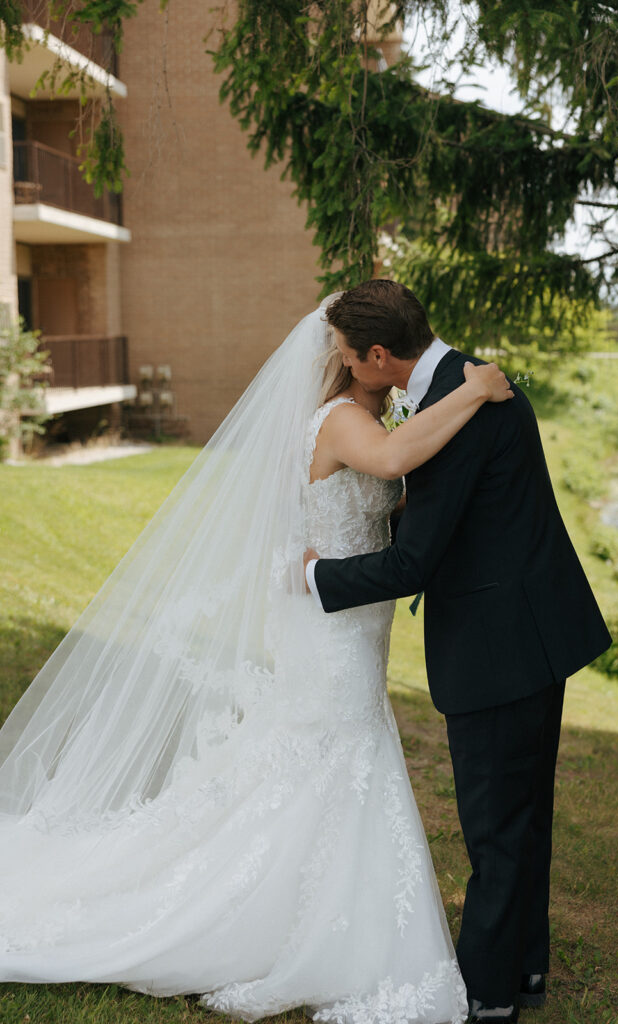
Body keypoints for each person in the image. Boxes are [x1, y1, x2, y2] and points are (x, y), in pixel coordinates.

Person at [0, 295, 512, 1023]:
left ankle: (316, 908)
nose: (358, 360)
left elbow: (390, 491)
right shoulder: (343, 422)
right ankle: (297, 924)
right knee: (333, 752)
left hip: (349, 621)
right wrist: (474, 389)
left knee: (325, 756)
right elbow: (396, 460)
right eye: (350, 349)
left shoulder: (360, 417)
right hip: (330, 631)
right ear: (357, 357)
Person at [305, 279, 613, 1024]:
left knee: (496, 829)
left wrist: (313, 575)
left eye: (348, 355)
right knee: (522, 819)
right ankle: (523, 974)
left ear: (380, 356)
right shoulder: (463, 381)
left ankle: (485, 998)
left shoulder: (459, 408)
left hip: (498, 649)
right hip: (533, 632)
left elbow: (412, 564)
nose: (341, 365)